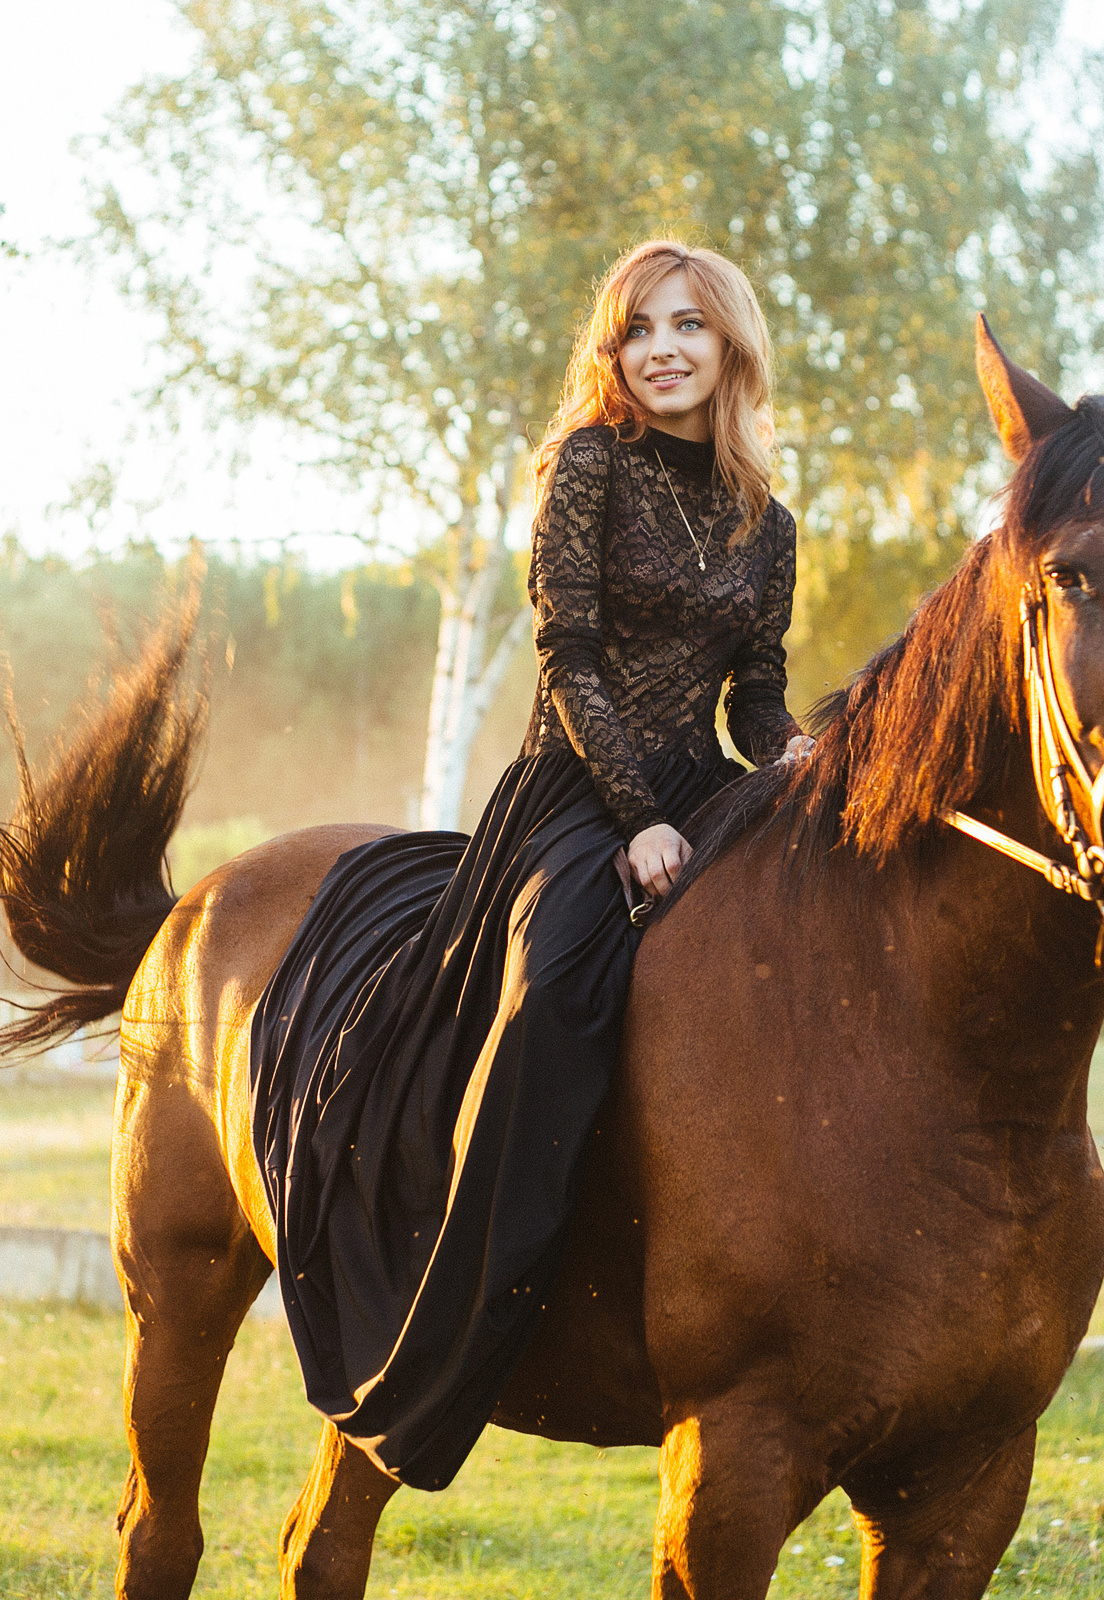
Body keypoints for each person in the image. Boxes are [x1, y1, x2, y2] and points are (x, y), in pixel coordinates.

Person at [249, 239, 811, 1490]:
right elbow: (569, 655)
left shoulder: (768, 524)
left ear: (730, 345)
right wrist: (630, 817)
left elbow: (755, 695)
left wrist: (801, 755)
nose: (662, 349)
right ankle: (479, 1301)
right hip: (574, 786)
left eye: (687, 326)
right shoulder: (591, 467)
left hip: (701, 792)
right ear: (613, 355)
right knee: (554, 987)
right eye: (637, 330)